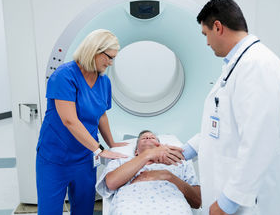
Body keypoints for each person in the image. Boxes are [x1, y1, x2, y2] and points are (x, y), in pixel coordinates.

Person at [182, 0, 280, 215]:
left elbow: (259, 140)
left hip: (252, 198)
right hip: (236, 184)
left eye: (206, 35)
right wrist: (189, 149)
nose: (207, 43)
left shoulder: (258, 66)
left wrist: (228, 201)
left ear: (218, 27)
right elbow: (223, 120)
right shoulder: (238, 64)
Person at [35, 29, 130, 215]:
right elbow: (69, 120)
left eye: (113, 58)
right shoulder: (64, 76)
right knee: (49, 211)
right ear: (94, 50)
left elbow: (101, 114)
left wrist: (111, 144)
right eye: (109, 57)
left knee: (84, 210)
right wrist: (99, 149)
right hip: (55, 158)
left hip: (84, 158)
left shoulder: (104, 82)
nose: (110, 63)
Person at [96, 130, 201, 215]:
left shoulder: (179, 162)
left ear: (161, 146)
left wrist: (167, 176)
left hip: (173, 207)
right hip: (130, 207)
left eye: (152, 137)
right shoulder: (121, 160)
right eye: (144, 138)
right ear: (136, 151)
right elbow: (110, 183)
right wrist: (147, 155)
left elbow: (197, 201)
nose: (148, 137)